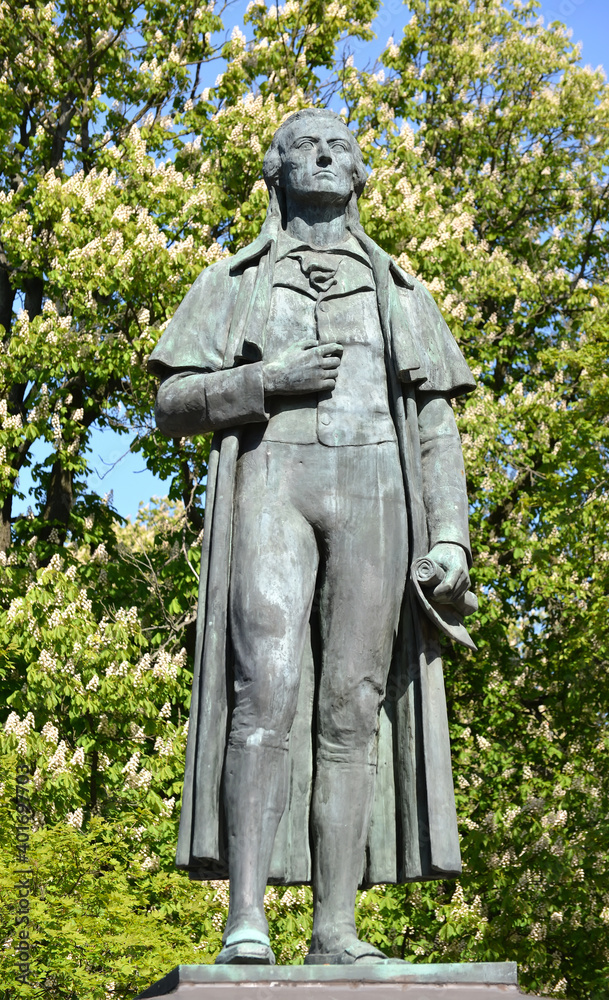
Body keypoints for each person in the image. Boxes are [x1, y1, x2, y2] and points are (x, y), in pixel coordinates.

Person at [148, 108, 476, 966]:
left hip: (375, 492)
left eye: (340, 147)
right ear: (276, 169)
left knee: (352, 706)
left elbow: (435, 421)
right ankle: (246, 922)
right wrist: (264, 379)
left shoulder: (402, 289)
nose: (323, 156)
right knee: (267, 685)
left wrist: (451, 537)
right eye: (304, 146)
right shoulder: (236, 278)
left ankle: (335, 930)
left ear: (360, 174)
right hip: (273, 483)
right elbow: (170, 402)